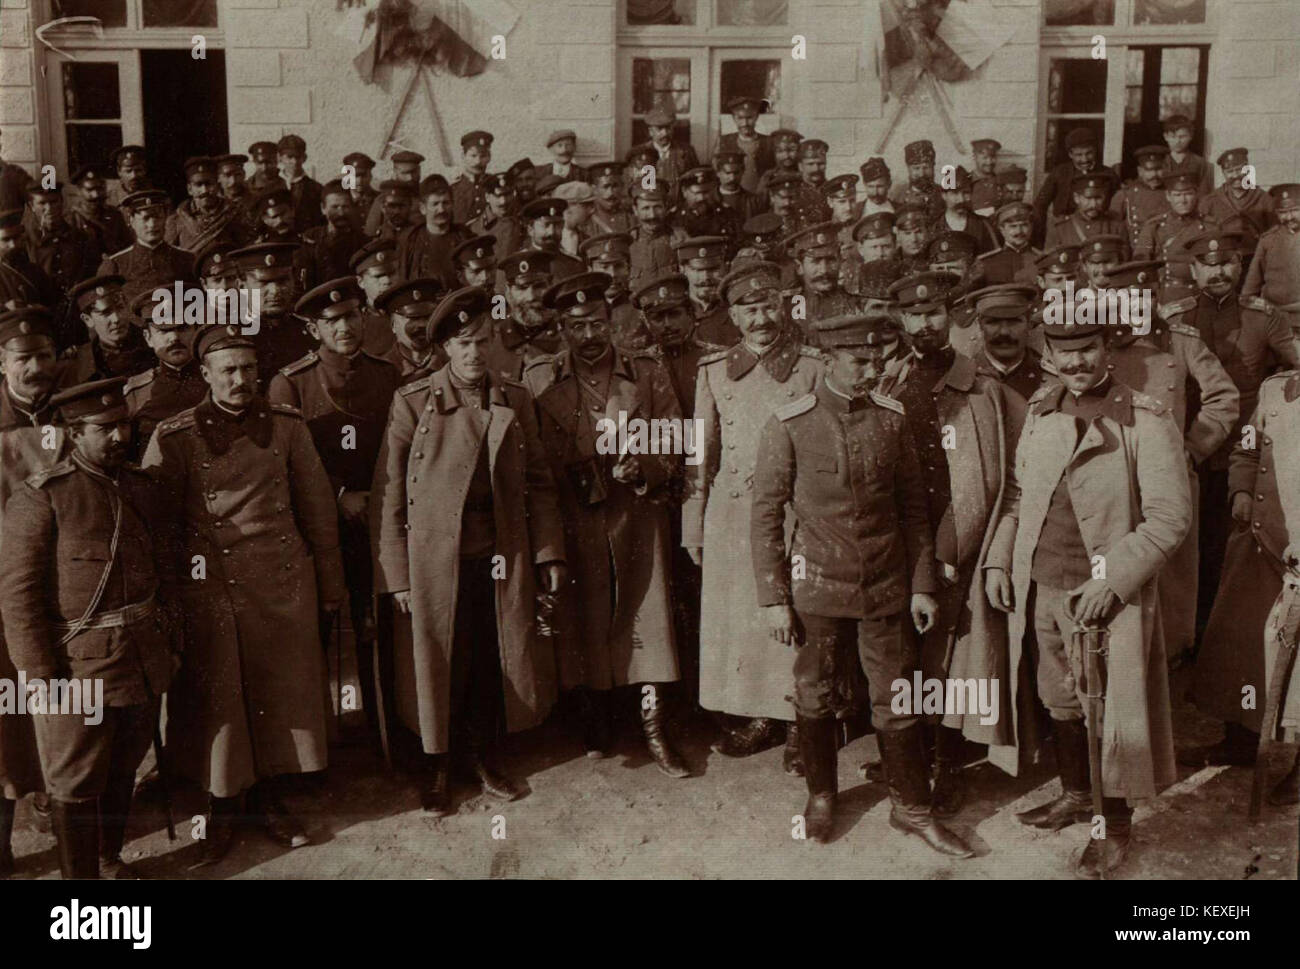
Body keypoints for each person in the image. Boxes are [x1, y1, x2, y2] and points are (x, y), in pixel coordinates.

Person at [751, 312, 974, 856]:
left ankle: (911, 809)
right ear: (829, 358)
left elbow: (914, 511)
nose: (871, 370)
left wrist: (922, 585)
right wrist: (775, 598)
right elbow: (764, 515)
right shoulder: (790, 423)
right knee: (815, 693)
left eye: (878, 359)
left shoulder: (892, 419)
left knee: (896, 698)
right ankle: (822, 797)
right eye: (859, 361)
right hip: (818, 589)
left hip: (885, 586)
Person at [984, 318, 1191, 878]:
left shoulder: (1145, 419)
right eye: (1064, 353)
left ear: (1107, 351)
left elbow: (1171, 517)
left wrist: (1111, 580)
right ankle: (1078, 795)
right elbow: (1019, 495)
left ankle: (1113, 826)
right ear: (1049, 355)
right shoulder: (1043, 408)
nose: (1076, 363)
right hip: (1042, 584)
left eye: (1088, 351)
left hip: (1103, 595)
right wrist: (1001, 559)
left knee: (1110, 712)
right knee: (1061, 700)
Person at [142, 323, 345, 866]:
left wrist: (330, 587)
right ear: (204, 375)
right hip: (210, 587)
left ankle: (275, 795)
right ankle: (222, 805)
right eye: (227, 370)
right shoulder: (175, 436)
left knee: (279, 695)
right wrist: (167, 600)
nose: (240, 379)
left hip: (281, 580)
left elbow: (319, 512)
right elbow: (156, 527)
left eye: (248, 369)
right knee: (220, 705)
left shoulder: (286, 427)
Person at [370, 285, 566, 813]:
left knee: (487, 658)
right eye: (462, 344)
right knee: (438, 663)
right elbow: (389, 495)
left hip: (499, 553)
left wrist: (548, 555)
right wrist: (397, 576)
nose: (474, 353)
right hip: (434, 560)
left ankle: (480, 757)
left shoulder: (515, 398)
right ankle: (438, 766)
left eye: (481, 341)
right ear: (445, 350)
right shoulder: (413, 403)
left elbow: (541, 484)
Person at [0, 376, 176, 879]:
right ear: (74, 433)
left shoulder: (142, 488)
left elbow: (166, 572)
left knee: (124, 766)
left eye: (124, 425)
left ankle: (108, 859)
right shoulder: (43, 498)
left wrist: (170, 644)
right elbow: (18, 596)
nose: (121, 437)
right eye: (105, 429)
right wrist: (40, 674)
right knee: (74, 780)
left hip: (141, 656)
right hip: (76, 668)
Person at [525, 271, 689, 777]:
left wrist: (643, 466)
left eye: (596, 322)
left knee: (649, 620)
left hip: (639, 517)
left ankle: (655, 727)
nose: (588, 335)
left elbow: (680, 438)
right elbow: (539, 467)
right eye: (576, 326)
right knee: (588, 621)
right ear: (561, 328)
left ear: (611, 321)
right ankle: (597, 718)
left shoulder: (647, 371)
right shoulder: (541, 380)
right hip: (579, 521)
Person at [878, 272, 1015, 811]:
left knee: (953, 655)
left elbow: (1003, 475)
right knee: (907, 653)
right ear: (902, 321)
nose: (926, 322)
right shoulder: (890, 379)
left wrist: (963, 542)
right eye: (915, 314)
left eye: (935, 311)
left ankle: (949, 761)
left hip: (961, 532)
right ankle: (911, 756)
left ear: (950, 314)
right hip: (905, 532)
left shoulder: (982, 385)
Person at [684, 261, 823, 770]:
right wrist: (693, 522)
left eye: (768, 305)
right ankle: (763, 715)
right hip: (733, 509)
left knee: (796, 613)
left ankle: (801, 723)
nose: (761, 317)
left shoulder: (813, 366)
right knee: (745, 616)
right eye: (749, 308)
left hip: (795, 510)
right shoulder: (714, 371)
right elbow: (700, 452)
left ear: (784, 304)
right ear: (734, 316)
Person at [269, 278, 401, 748]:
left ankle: (384, 733)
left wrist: (373, 497)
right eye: (331, 321)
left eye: (350, 316)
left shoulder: (386, 375)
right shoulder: (291, 382)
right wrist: (339, 494)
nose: (343, 327)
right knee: (317, 631)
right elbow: (282, 463)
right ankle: (316, 745)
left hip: (377, 516)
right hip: (317, 526)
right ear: (313, 330)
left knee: (377, 625)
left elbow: (399, 448)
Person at [1160, 228, 1299, 638]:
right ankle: (1185, 637)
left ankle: (1224, 641)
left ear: (1240, 267)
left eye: (1227, 263)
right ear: (1194, 269)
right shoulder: (1176, 318)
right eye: (1209, 265)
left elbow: (1293, 365)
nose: (1218, 272)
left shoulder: (1263, 315)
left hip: (1245, 448)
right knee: (1187, 547)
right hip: (1191, 448)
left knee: (1232, 548)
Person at [1184, 312, 1300, 801]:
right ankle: (1242, 734)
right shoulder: (1276, 392)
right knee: (1243, 643)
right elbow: (1247, 448)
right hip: (1260, 537)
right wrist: (1237, 489)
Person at [123, 288, 206, 453]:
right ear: (148, 338)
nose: (174, 338)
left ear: (196, 330)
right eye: (164, 330)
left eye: (182, 328)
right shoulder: (136, 395)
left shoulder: (219, 380)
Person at [97, 190, 195, 305]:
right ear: (132, 221)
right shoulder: (115, 264)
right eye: (145, 218)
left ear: (165, 219)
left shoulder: (187, 259)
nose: (152, 224)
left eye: (158, 217)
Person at [1031, 127, 1118, 246]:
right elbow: (1040, 205)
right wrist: (1039, 237)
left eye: (1089, 153)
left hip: (1098, 231)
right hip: (1066, 233)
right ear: (1070, 154)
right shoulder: (1059, 173)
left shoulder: (1108, 175)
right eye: (1079, 155)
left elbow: (1117, 208)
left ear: (1095, 151)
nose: (1084, 159)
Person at [1133, 172, 1211, 302]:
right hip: (1166, 295)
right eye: (1177, 195)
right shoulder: (1154, 227)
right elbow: (1141, 268)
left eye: (1188, 194)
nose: (1183, 200)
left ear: (1196, 194)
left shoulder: (1209, 225)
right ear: (1168, 196)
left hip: (1202, 294)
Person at [786, 221, 862, 345]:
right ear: (799, 267)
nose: (824, 270)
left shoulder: (856, 305)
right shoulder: (788, 308)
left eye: (831, 260)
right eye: (816, 261)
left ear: (840, 261)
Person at [1243, 183, 1300, 329]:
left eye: (1294, 210)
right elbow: (1252, 284)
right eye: (1282, 212)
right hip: (1274, 317)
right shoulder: (1268, 240)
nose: (1289, 217)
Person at [164, 157, 248, 253]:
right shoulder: (176, 222)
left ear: (217, 185)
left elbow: (246, 252)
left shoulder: (235, 214)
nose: (204, 190)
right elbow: (168, 256)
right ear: (190, 189)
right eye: (198, 185)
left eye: (209, 184)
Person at [375, 277, 444, 384]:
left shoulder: (452, 361)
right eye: (413, 318)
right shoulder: (381, 373)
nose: (422, 325)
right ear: (393, 325)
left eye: (427, 317)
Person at [301, 180, 367, 289]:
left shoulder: (362, 242)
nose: (341, 213)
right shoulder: (310, 239)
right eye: (334, 207)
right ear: (323, 208)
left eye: (345, 206)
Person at [1044, 174, 1127, 253]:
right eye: (1088, 198)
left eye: (1098, 198)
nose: (1093, 204)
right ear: (1076, 198)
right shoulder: (1061, 229)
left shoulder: (1116, 227)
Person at [1110, 146, 1170, 250]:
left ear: (1165, 168)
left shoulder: (1172, 194)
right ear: (1140, 171)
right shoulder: (1125, 195)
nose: (1154, 175)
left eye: (1158, 169)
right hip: (1135, 254)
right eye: (1149, 170)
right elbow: (1113, 229)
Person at [67, 165, 131, 257]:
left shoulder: (115, 215)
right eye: (89, 190)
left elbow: (127, 247)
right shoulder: (72, 219)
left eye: (99, 188)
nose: (96, 194)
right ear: (79, 191)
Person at [714, 95, 774, 194]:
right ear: (734, 118)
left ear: (757, 117)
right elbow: (715, 171)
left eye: (749, 118)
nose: (745, 123)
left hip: (760, 197)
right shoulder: (723, 142)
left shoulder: (768, 142)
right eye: (740, 118)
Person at [350, 239, 399, 357]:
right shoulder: (357, 323)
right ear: (361, 282)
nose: (386, 281)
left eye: (392, 273)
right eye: (378, 276)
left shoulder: (412, 315)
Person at [639, 105, 699, 201]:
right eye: (659, 129)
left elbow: (694, 184)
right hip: (652, 209)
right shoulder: (639, 154)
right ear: (650, 131)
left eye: (668, 128)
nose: (665, 133)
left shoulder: (686, 152)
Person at [976, 201, 1040, 285]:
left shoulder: (1041, 260)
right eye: (1013, 226)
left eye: (1024, 225)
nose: (1019, 231)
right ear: (1002, 229)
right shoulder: (986, 263)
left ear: (1031, 227)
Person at [363, 150, 424, 237]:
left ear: (419, 170)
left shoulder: (427, 196)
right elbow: (370, 232)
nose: (410, 177)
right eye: (405, 173)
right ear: (395, 173)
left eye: (414, 172)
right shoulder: (382, 199)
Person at [467, 173, 522, 259]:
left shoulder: (523, 221)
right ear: (487, 197)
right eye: (498, 196)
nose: (503, 201)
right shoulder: (475, 228)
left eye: (507, 194)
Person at [277, 134, 325, 233]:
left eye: (298, 157)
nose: (294, 161)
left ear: (304, 157)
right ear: (280, 158)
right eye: (289, 157)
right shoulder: (271, 185)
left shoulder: (316, 189)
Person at [889, 140, 944, 224]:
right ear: (908, 168)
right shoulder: (897, 196)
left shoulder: (943, 194)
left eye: (926, 167)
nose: (922, 174)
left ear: (933, 166)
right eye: (916, 168)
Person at [1159, 115, 1213, 197]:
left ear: (1190, 136)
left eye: (1182, 137)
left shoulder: (1199, 163)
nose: (1177, 141)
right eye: (1173, 137)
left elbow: (1204, 192)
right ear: (1165, 137)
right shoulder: (1161, 162)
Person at [450, 130, 493, 225]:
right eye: (473, 156)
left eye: (483, 156)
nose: (478, 161)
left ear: (489, 157)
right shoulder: (452, 189)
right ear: (463, 156)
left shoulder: (495, 185)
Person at [969, 138, 1002, 217]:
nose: (989, 162)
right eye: (985, 158)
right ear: (975, 157)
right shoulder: (966, 181)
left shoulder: (1001, 181)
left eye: (993, 157)